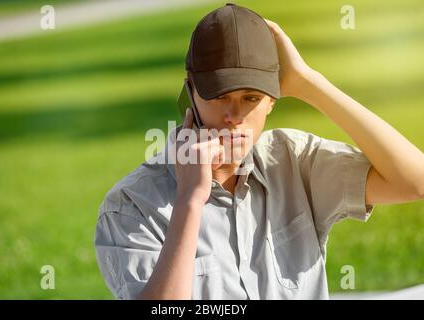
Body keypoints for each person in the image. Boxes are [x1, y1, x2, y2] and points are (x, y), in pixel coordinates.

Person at [94, 3, 424, 299]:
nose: (234, 117)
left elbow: (415, 182)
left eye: (251, 98)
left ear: (272, 101)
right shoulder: (130, 206)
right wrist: (189, 200)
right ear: (190, 92)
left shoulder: (293, 160)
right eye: (220, 96)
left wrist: (309, 82)